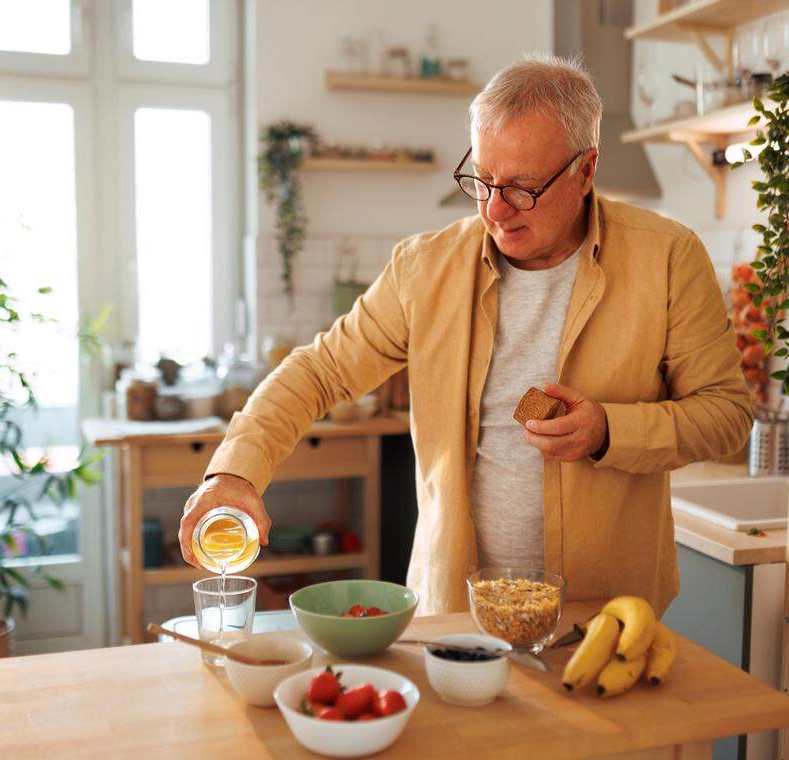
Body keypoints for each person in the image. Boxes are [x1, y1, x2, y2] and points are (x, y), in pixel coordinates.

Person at [180, 54, 752, 615]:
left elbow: (727, 415)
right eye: (481, 180)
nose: (495, 211)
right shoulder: (424, 267)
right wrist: (234, 472)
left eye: (523, 188)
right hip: (453, 610)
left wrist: (610, 431)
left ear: (586, 170)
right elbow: (318, 372)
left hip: (603, 612)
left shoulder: (668, 257)